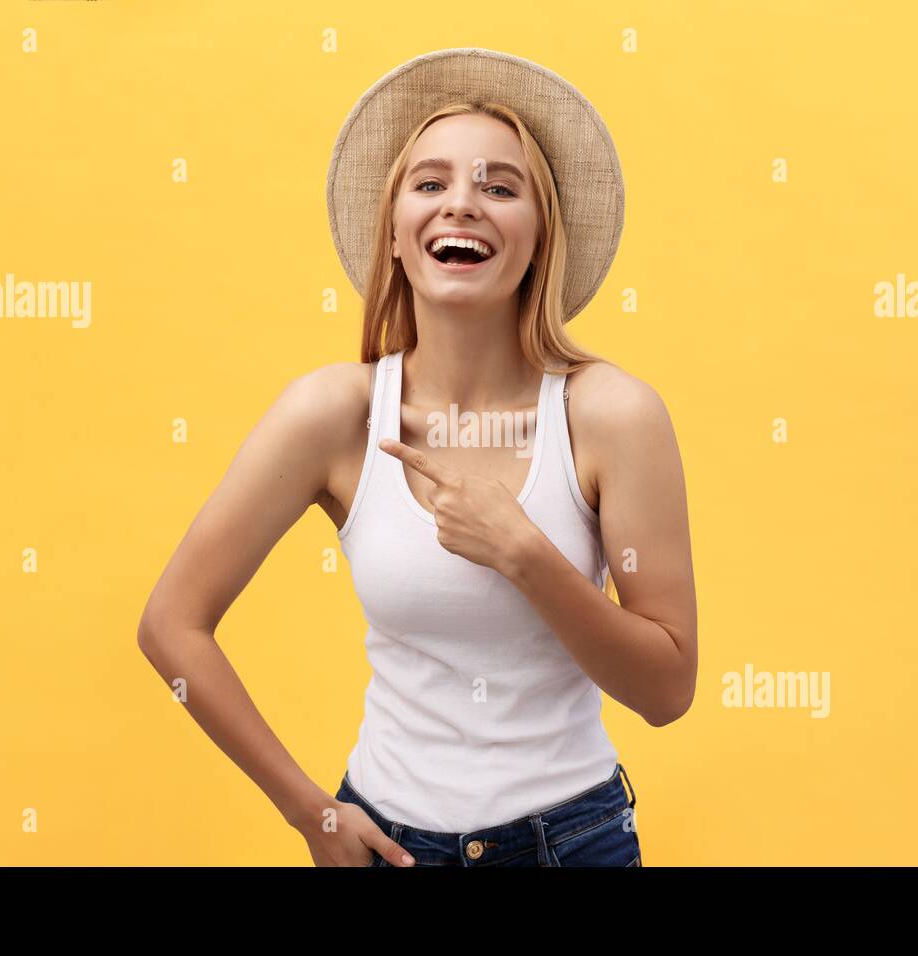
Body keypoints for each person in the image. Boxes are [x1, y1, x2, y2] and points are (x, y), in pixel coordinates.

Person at [138, 48, 697, 867]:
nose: (461, 205)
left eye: (499, 188)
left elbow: (667, 692)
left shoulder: (610, 415)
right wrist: (312, 815)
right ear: (396, 234)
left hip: (569, 844)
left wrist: (525, 554)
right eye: (430, 184)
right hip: (385, 846)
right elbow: (171, 626)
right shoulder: (337, 413)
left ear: (540, 239)